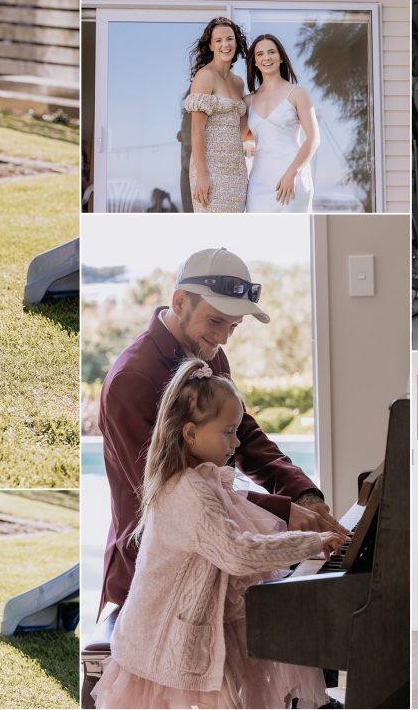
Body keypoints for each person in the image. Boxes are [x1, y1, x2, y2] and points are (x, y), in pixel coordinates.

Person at [98, 247, 347, 612]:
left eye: (233, 326)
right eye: (216, 322)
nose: (224, 339)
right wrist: (282, 512)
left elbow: (244, 435)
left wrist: (303, 495)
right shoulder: (132, 379)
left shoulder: (209, 352)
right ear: (180, 301)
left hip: (213, 550)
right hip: (153, 573)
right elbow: (169, 493)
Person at [92, 358, 346, 708]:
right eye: (228, 431)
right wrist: (312, 543)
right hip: (162, 645)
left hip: (181, 632)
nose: (237, 441)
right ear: (191, 433)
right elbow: (239, 553)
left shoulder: (201, 481)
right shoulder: (190, 492)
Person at [243, 34, 319, 212]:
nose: (266, 58)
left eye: (271, 52)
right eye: (260, 54)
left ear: (281, 58)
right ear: (254, 61)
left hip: (292, 177)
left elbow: (313, 139)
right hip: (258, 182)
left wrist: (292, 173)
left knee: (291, 237)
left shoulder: (298, 93)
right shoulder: (248, 101)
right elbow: (239, 137)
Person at [184, 17, 249, 213]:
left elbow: (242, 130)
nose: (225, 45)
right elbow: (197, 130)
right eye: (218, 40)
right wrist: (203, 175)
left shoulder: (238, 82)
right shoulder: (205, 76)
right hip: (210, 168)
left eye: (229, 39)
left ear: (236, 42)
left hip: (237, 169)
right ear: (211, 45)